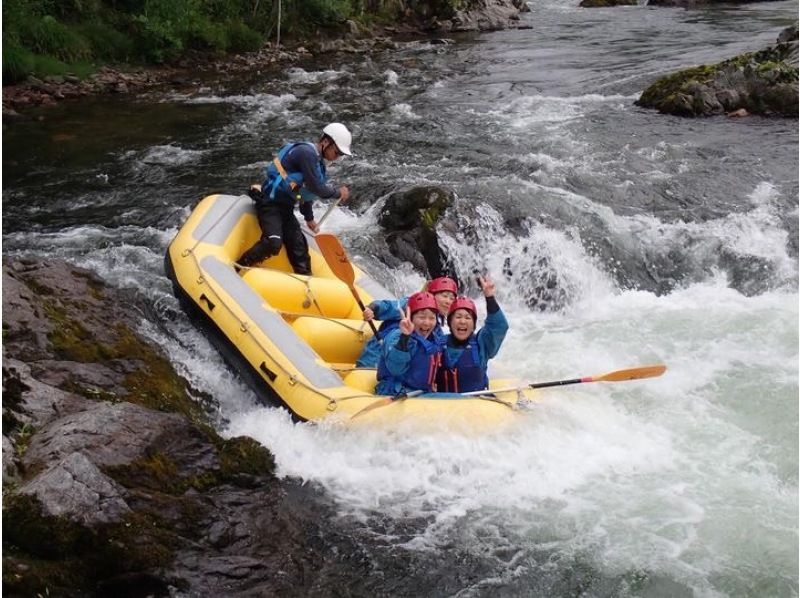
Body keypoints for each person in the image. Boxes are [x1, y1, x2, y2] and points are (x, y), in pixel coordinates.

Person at [237, 122, 352, 274]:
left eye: (340, 156)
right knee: (273, 243)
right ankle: (239, 266)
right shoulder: (307, 153)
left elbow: (304, 193)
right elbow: (316, 188)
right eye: (337, 153)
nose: (337, 158)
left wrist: (309, 218)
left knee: (299, 249)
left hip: (285, 208)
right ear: (325, 142)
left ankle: (307, 285)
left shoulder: (319, 163)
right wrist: (338, 192)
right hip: (269, 205)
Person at [355, 276, 458, 368]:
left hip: (398, 369)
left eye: (452, 299)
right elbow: (386, 306)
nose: (448, 301)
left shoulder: (436, 329)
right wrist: (371, 310)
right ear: (431, 294)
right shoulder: (409, 305)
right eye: (444, 296)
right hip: (375, 358)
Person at [435, 275, 508, 393]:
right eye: (458, 317)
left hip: (476, 405)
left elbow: (499, 326)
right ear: (449, 323)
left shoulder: (482, 344)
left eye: (468, 318)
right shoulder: (437, 343)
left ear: (474, 326)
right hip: (443, 406)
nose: (462, 321)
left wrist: (490, 297)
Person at [375, 292, 446, 396]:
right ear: (411, 318)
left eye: (432, 318)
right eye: (422, 317)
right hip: (395, 392)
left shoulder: (435, 339)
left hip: (420, 393)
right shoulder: (396, 336)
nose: (427, 323)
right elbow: (395, 369)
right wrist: (405, 337)